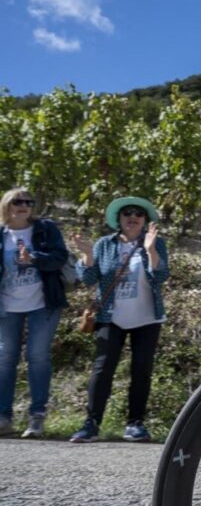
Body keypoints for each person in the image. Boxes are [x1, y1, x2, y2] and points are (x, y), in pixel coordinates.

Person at [69, 196, 168, 443]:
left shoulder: (155, 242)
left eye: (138, 214)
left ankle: (135, 423)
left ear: (145, 220)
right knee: (102, 370)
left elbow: (160, 277)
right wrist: (88, 254)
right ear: (119, 219)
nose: (132, 217)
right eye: (127, 213)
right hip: (110, 317)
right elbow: (89, 278)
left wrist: (151, 249)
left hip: (146, 318)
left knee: (141, 371)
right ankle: (91, 423)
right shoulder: (105, 244)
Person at [0, 188, 69, 439]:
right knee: (5, 358)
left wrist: (34, 258)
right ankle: (3, 417)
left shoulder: (45, 229)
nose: (24, 206)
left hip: (43, 302)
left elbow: (60, 258)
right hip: (7, 305)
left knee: (37, 356)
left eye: (29, 202)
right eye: (18, 201)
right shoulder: (1, 234)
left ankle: (37, 416)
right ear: (7, 205)